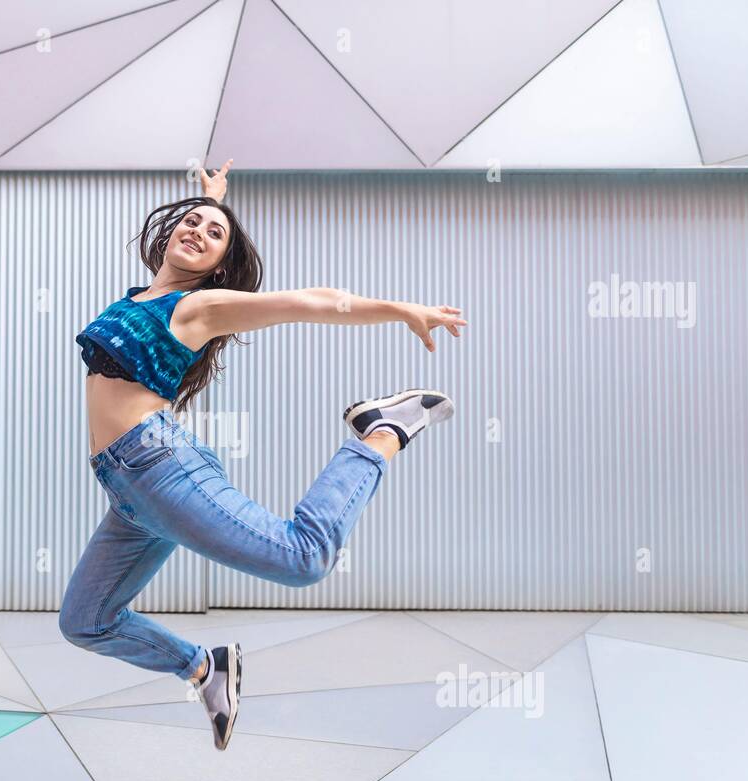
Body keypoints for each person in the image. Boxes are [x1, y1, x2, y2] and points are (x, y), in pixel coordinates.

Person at [59, 160, 466, 750]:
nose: (196, 230)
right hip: (128, 490)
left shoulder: (201, 308)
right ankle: (205, 667)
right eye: (190, 223)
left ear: (221, 268)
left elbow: (315, 302)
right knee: (86, 623)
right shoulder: (141, 297)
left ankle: (380, 433)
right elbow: (197, 229)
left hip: (159, 468)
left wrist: (402, 309)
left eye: (213, 233)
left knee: (305, 558)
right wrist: (213, 199)